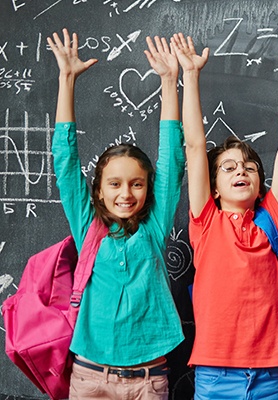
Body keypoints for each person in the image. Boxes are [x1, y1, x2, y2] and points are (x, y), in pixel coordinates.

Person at [174, 27, 278, 399]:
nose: (241, 171)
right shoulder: (206, 220)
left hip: (269, 373)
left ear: (259, 182)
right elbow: (193, 146)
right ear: (214, 187)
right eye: (229, 167)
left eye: (250, 167)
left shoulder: (269, 216)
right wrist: (190, 76)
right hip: (215, 374)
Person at [49, 29, 184, 399]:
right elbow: (65, 161)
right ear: (98, 190)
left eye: (136, 184)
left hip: (148, 380)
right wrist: (67, 79)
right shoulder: (88, 226)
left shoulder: (154, 228)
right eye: (115, 184)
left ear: (148, 188)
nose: (126, 193)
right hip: (91, 377)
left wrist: (170, 81)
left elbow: (172, 160)